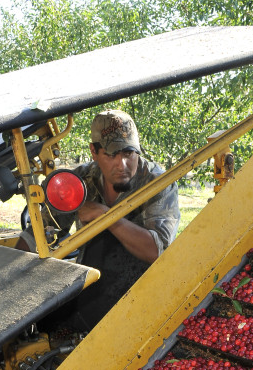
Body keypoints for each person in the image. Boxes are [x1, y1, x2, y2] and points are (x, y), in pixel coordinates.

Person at [20, 109, 180, 334]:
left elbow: (156, 250)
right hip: (94, 287)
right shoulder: (82, 181)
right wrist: (12, 273)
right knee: (43, 323)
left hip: (144, 295)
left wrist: (105, 216)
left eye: (129, 153)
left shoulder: (157, 184)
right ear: (94, 152)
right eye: (112, 155)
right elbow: (39, 230)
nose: (122, 164)